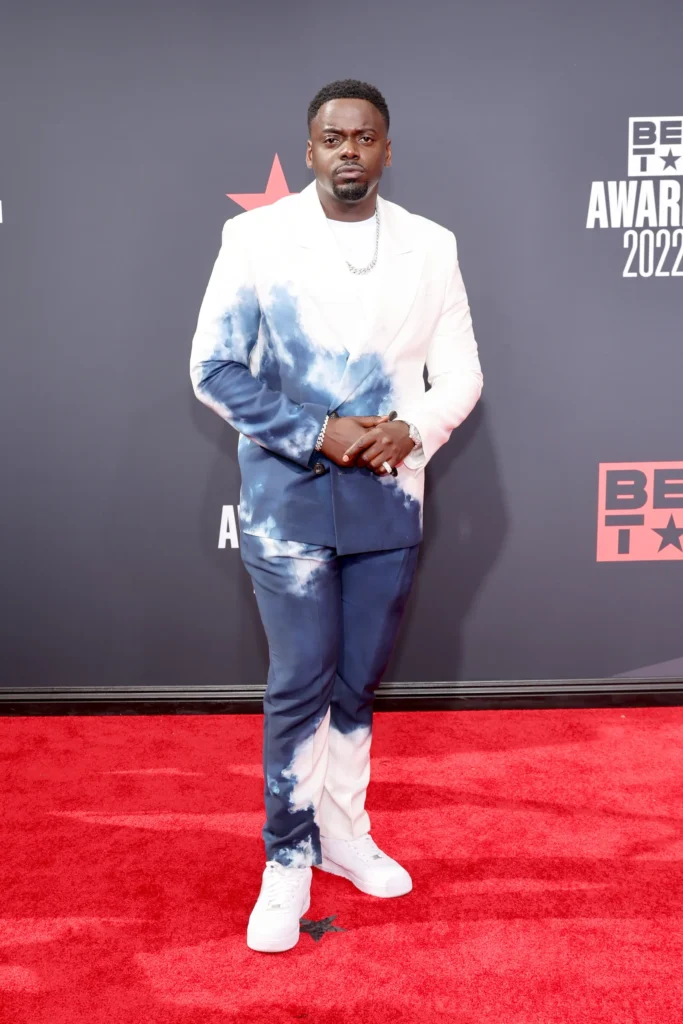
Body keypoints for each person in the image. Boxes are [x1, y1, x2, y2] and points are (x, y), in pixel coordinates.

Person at [189, 78, 483, 953]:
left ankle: (343, 834)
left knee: (356, 683)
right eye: (331, 137)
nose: (347, 149)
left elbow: (460, 372)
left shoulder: (432, 245)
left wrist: (411, 428)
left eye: (364, 136)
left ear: (387, 150)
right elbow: (213, 368)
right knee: (300, 681)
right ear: (310, 149)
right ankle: (285, 856)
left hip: (388, 496)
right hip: (287, 498)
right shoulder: (254, 238)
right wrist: (317, 432)